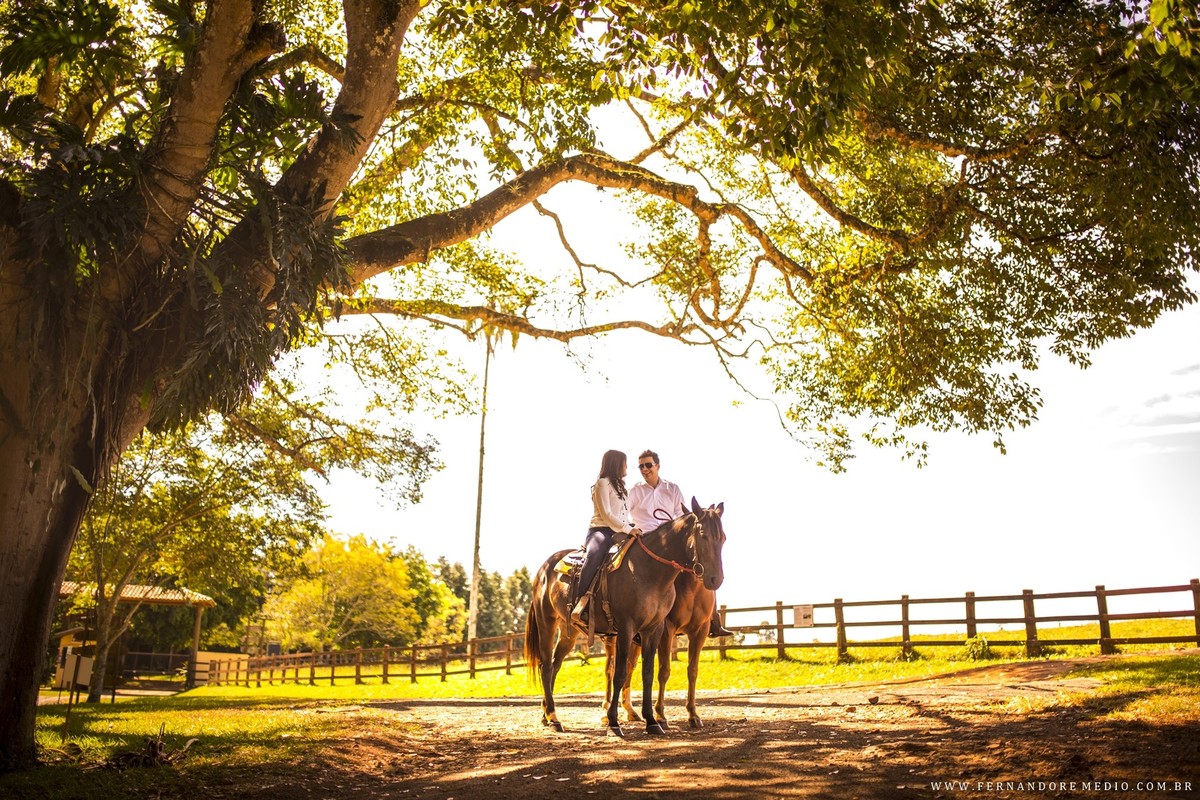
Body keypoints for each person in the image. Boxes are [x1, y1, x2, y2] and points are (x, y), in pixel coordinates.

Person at [627, 449, 734, 639]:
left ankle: (713, 618)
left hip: (670, 539)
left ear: (657, 466)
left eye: (648, 465)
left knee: (701, 564)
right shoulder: (635, 491)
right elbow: (624, 513)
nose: (645, 469)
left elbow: (681, 515)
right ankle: (641, 621)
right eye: (641, 466)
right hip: (647, 542)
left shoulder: (672, 488)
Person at [571, 449, 642, 626]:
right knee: (594, 554)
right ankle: (581, 603)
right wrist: (627, 529)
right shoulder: (602, 483)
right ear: (616, 463)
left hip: (621, 530)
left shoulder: (623, 488)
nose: (627, 466)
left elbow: (622, 514)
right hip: (600, 530)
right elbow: (607, 514)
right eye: (625, 463)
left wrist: (631, 527)